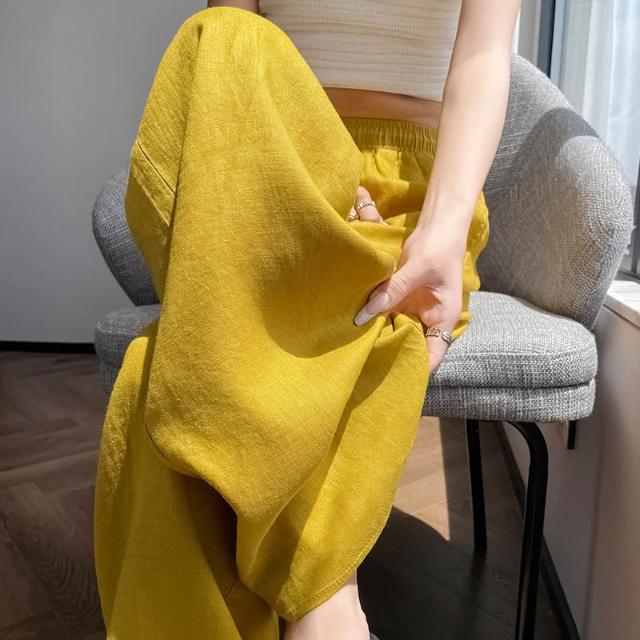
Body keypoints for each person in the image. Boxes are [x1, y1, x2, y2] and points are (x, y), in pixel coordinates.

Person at [93, 1, 520, 639]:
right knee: (225, 35)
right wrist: (300, 195)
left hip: (420, 200)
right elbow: (226, 78)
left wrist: (445, 229)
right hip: (269, 174)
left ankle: (315, 603)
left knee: (165, 381)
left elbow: (485, 56)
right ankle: (326, 604)